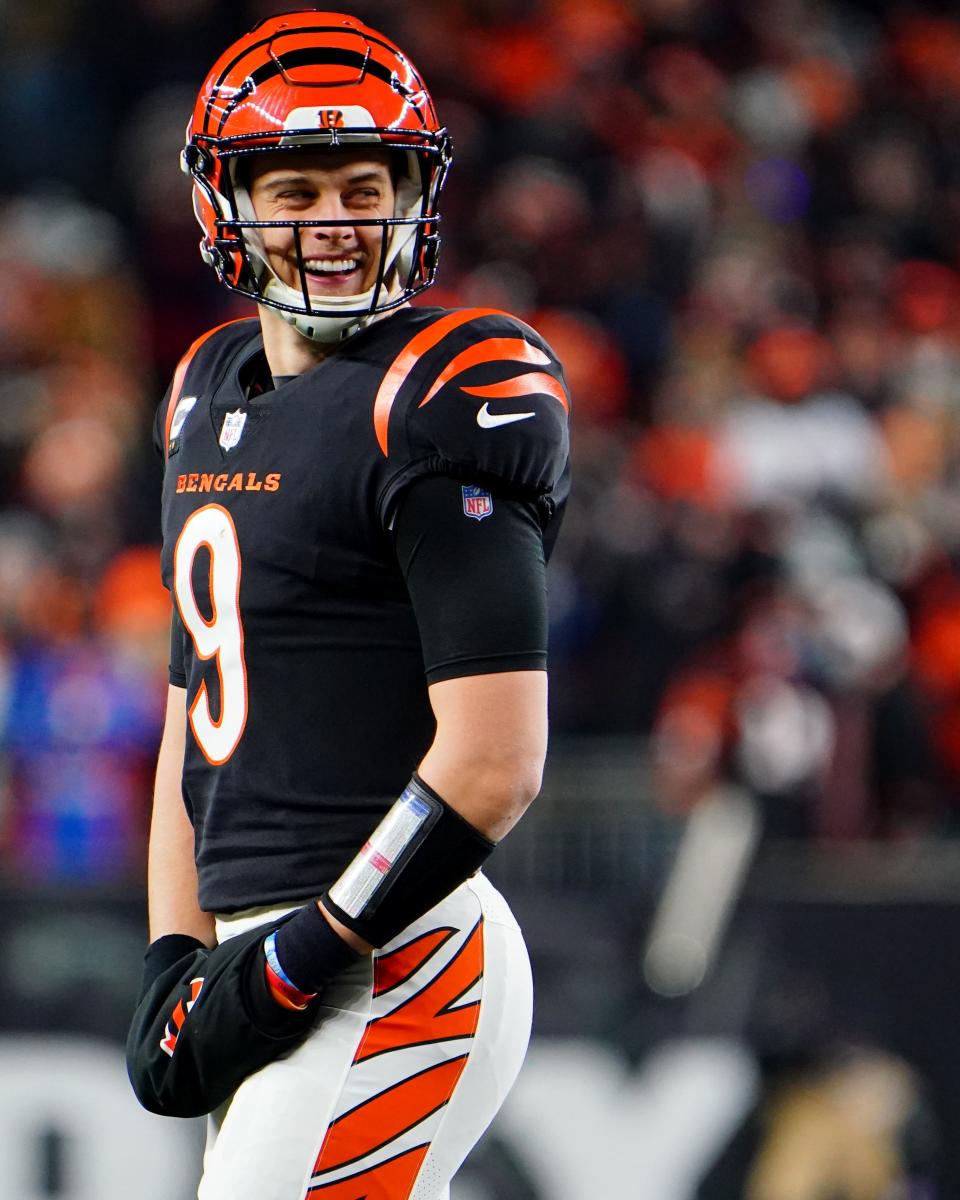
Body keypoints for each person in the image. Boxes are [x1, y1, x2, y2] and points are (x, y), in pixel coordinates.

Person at [126, 10, 570, 1200]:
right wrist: (183, 954)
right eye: (298, 187)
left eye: (363, 184)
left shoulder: (442, 392)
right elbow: (195, 707)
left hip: (397, 953)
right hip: (267, 940)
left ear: (414, 191)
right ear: (231, 204)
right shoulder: (205, 384)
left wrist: (294, 960)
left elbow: (494, 762)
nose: (332, 221)